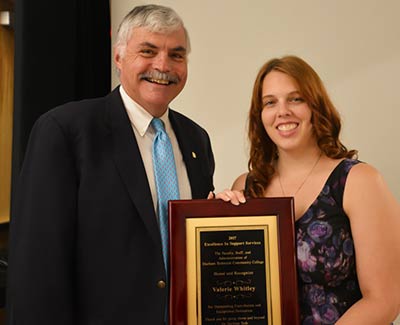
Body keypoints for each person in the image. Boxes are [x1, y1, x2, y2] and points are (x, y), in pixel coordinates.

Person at [7, 4, 214, 324]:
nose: (163, 65)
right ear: (118, 58)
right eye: (148, 50)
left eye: (176, 54)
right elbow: (38, 264)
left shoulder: (196, 139)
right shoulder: (65, 131)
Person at [215, 55, 400, 324]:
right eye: (270, 102)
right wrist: (214, 219)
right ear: (260, 115)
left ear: (316, 106)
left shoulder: (358, 181)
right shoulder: (245, 188)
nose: (283, 111)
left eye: (296, 99)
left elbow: (385, 300)